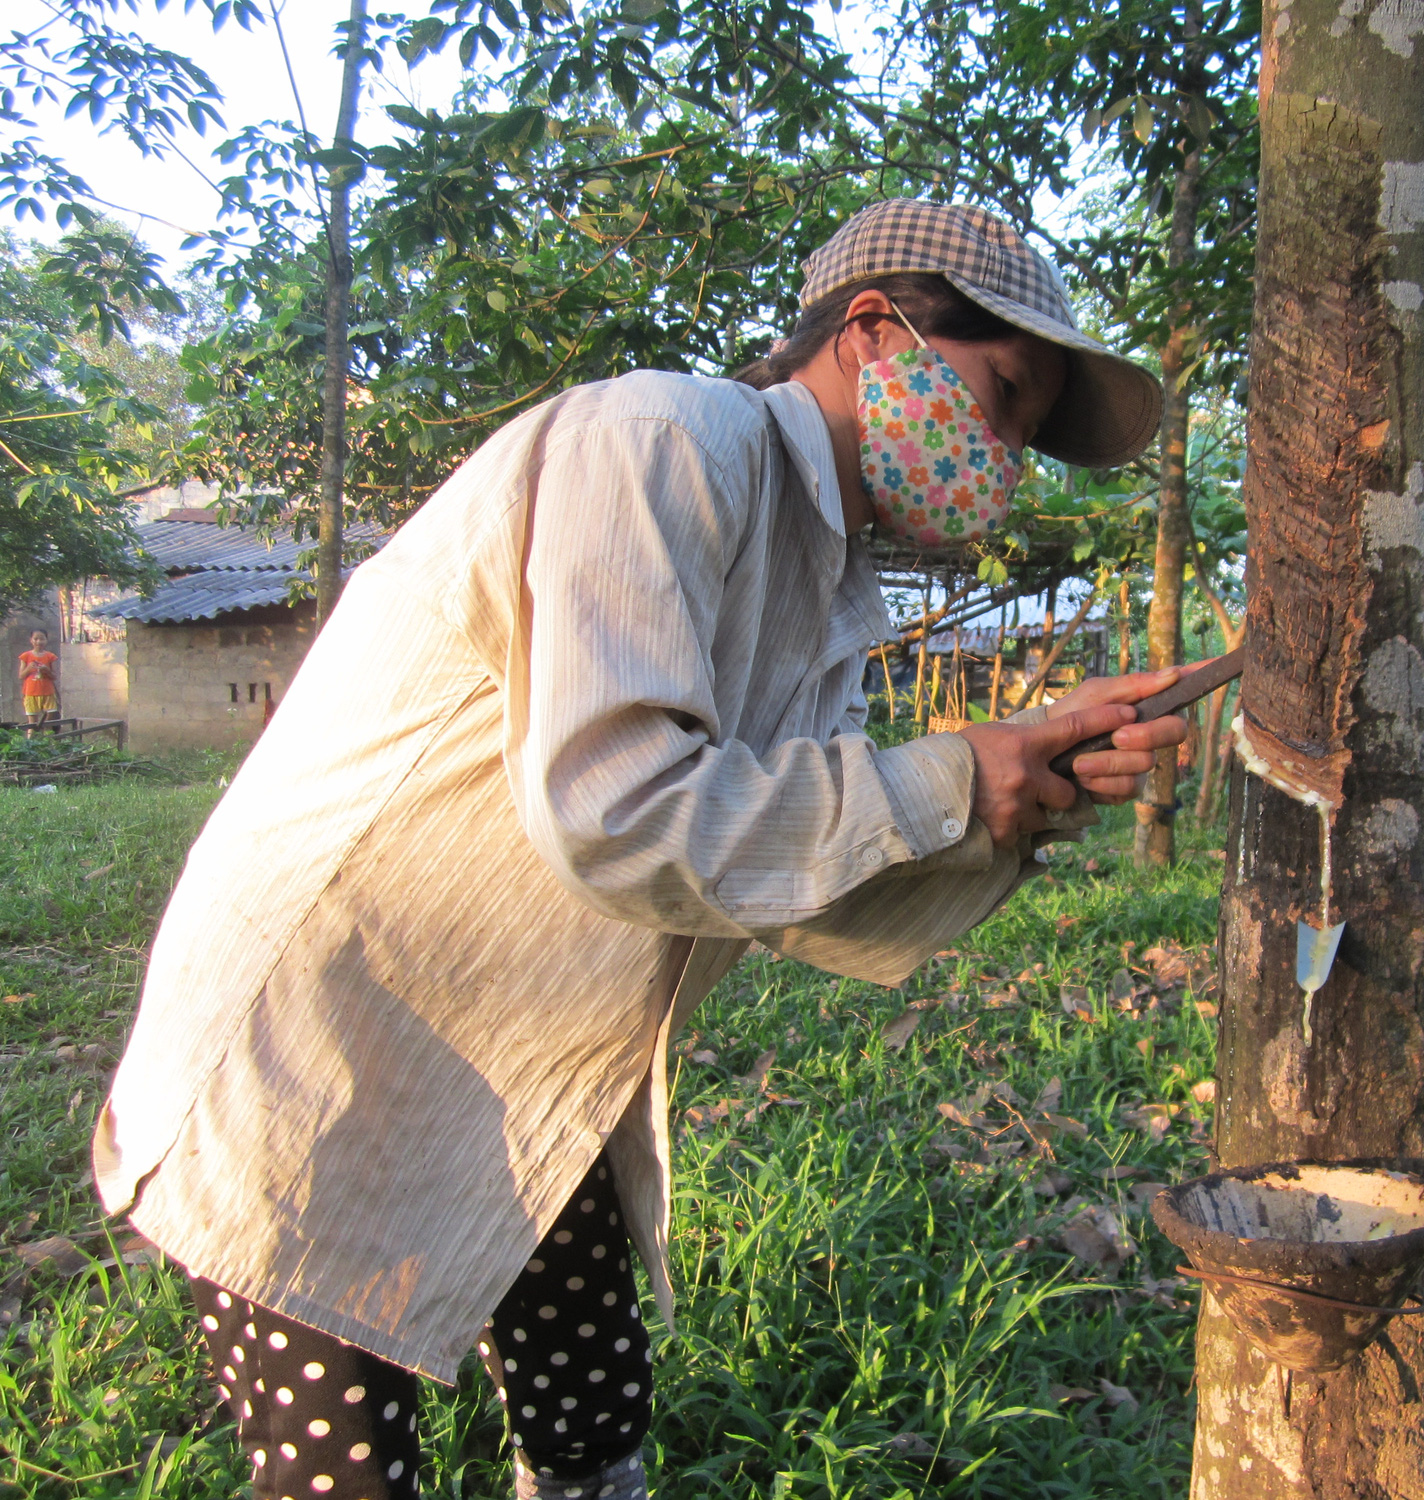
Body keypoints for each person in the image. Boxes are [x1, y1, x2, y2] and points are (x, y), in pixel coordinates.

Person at [96, 200, 1184, 1500]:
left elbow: (773, 871)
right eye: (1000, 397)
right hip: (323, 1032)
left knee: (593, 1422)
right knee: (343, 1460)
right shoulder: (667, 438)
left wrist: (1001, 794)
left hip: (517, 1053)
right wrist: (947, 775)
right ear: (874, 330)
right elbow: (620, 805)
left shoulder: (827, 588)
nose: (1001, 457)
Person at [17, 628, 58, 730]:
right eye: (36, 639)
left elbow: (54, 676)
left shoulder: (50, 656)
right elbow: (21, 676)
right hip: (31, 693)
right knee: (32, 723)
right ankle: (31, 742)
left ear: (46, 640)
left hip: (48, 692)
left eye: (42, 639)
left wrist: (46, 670)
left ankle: (45, 739)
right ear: (31, 640)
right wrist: (29, 668)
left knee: (50, 718)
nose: (39, 642)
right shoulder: (25, 656)